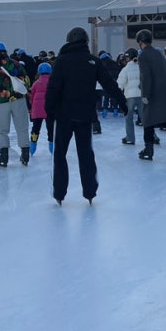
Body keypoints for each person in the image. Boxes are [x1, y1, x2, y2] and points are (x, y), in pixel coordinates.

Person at [45, 26, 127, 205]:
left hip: (64, 116)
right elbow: (109, 83)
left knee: (60, 154)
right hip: (84, 116)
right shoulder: (93, 61)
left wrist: (49, 110)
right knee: (86, 154)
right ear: (86, 42)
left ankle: (59, 192)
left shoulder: (61, 61)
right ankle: (90, 191)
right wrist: (122, 102)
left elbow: (53, 87)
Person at [136, 29, 166, 161]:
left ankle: (148, 149)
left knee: (148, 122)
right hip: (165, 92)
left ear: (140, 41)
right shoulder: (159, 54)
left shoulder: (143, 55)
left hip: (152, 93)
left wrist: (145, 94)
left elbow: (146, 76)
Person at [0, 42, 32, 168]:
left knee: (2, 130)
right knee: (22, 128)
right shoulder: (16, 63)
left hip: (1, 102)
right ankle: (25, 154)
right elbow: (27, 81)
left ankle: (4, 156)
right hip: (18, 100)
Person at [118, 47, 142, 145]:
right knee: (145, 118)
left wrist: (117, 94)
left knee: (129, 118)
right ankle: (153, 137)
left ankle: (130, 138)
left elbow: (120, 84)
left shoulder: (125, 69)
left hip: (130, 96)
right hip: (141, 95)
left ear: (128, 58)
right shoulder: (141, 67)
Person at [29, 61, 54, 154]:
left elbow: (31, 96)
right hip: (49, 108)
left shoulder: (36, 83)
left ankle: (33, 144)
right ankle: (52, 145)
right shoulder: (52, 82)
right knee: (51, 128)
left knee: (36, 128)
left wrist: (32, 106)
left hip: (37, 109)